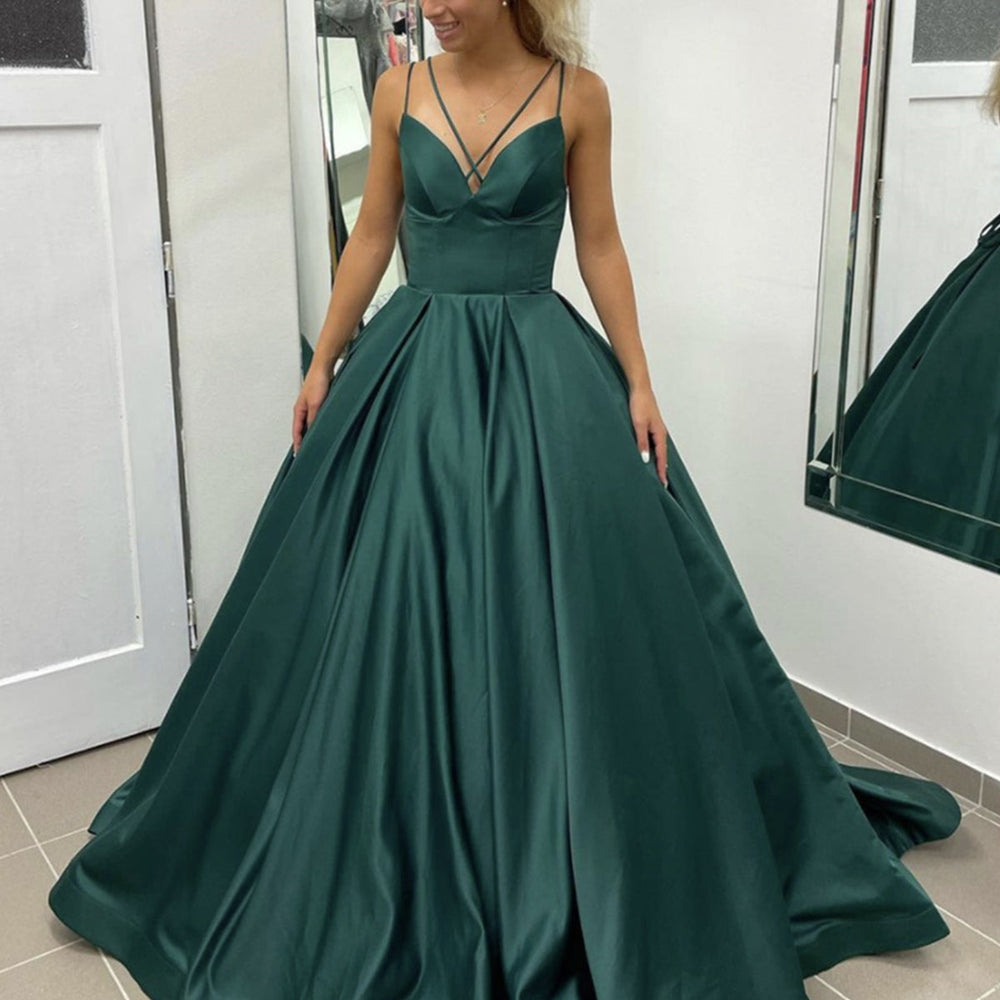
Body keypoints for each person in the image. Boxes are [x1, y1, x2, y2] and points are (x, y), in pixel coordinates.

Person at [48, 3, 962, 998]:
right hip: (412, 369)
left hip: (541, 370)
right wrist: (322, 360)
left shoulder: (580, 96)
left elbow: (600, 244)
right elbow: (373, 234)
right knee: (378, 595)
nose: (433, 5)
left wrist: (640, 381)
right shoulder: (398, 91)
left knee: (572, 607)